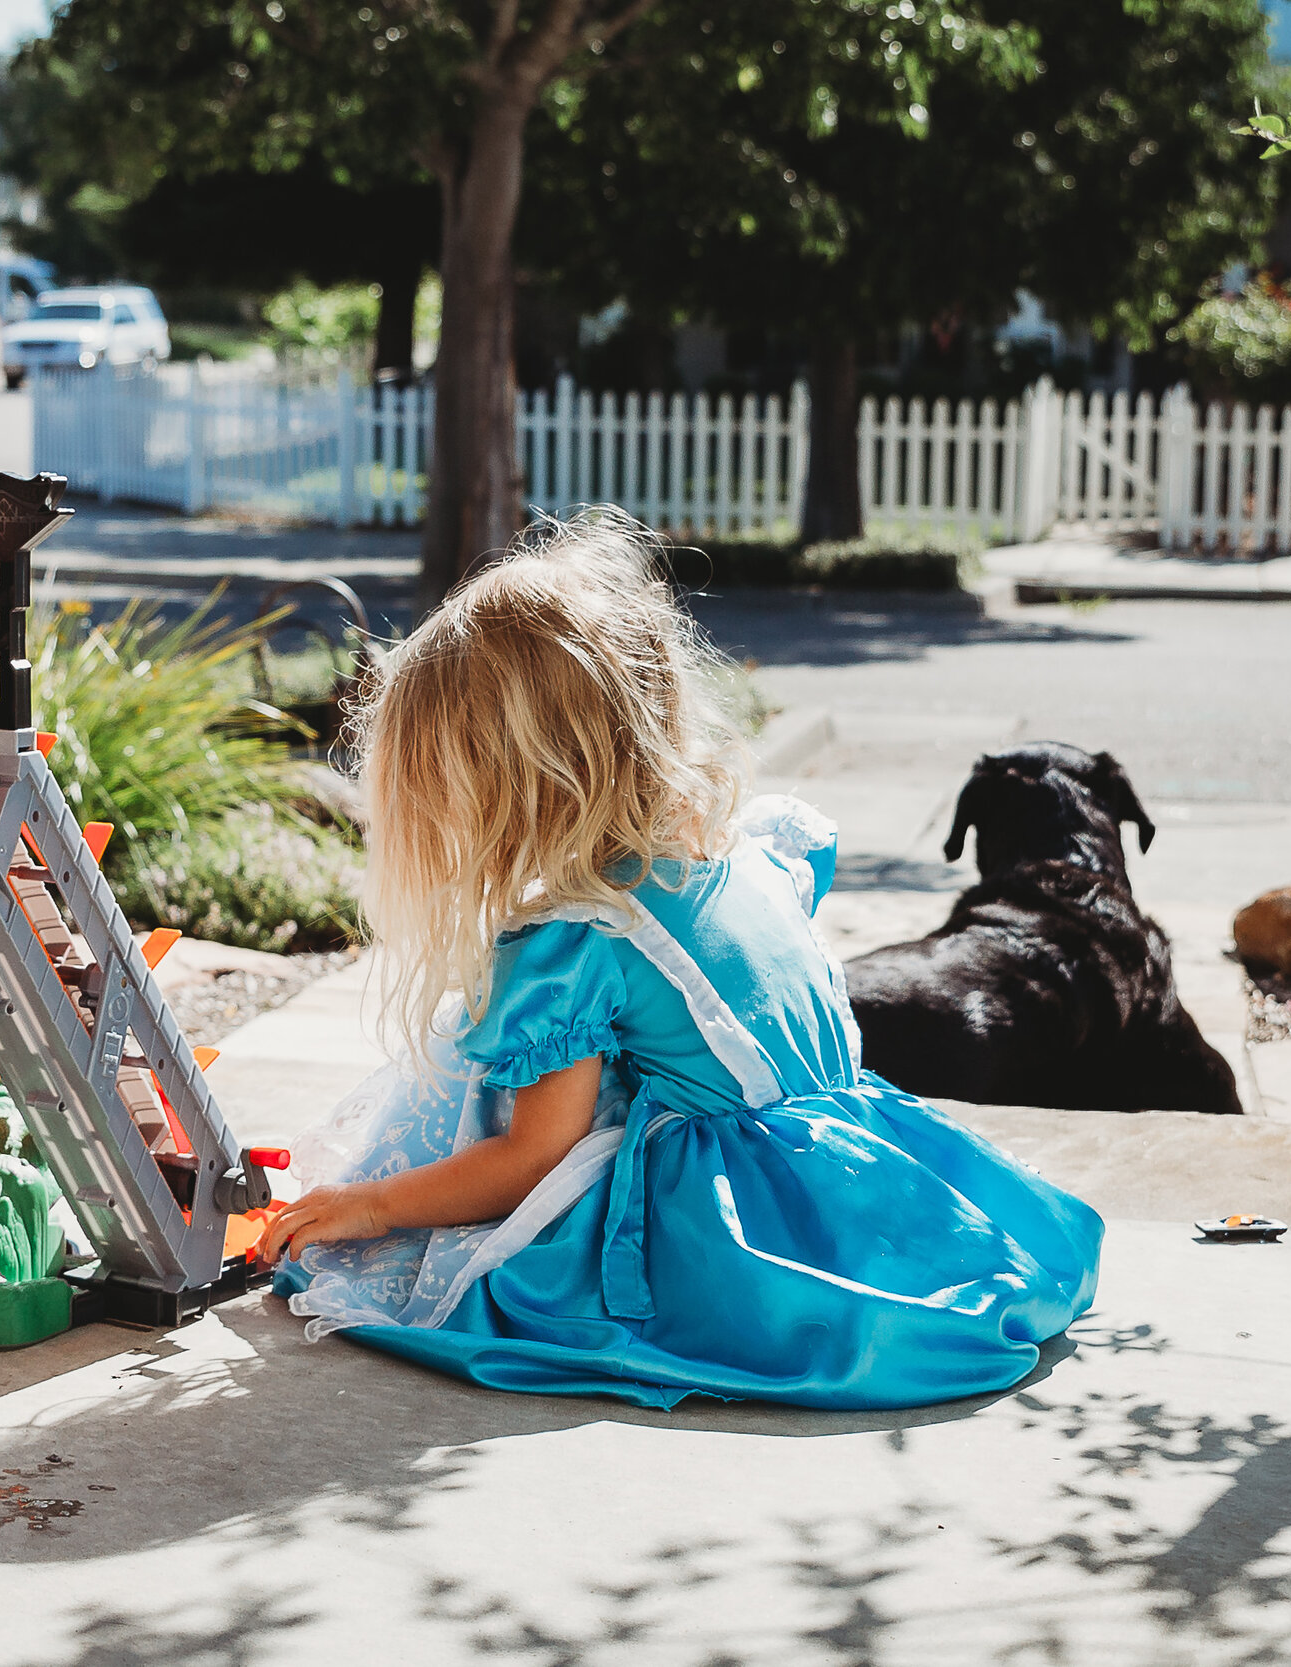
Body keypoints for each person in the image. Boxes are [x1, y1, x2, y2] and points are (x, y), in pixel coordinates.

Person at [259, 514, 1102, 1409]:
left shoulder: (579, 935)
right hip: (857, 1166)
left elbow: (532, 1157)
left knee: (472, 1255)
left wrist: (374, 1204)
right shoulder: (741, 852)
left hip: (739, 1228)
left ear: (511, 789)